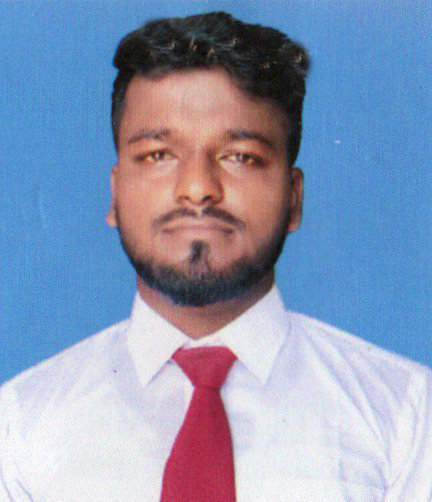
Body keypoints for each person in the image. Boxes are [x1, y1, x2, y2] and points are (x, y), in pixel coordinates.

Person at [0, 11, 431, 502]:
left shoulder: (407, 416)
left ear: (294, 198)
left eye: (240, 157)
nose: (198, 188)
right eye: (158, 155)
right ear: (115, 194)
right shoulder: (18, 426)